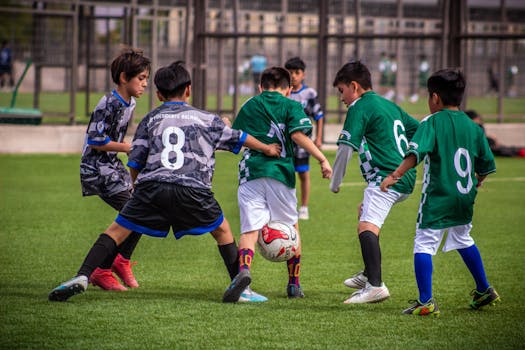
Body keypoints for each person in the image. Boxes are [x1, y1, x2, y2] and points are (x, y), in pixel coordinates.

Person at [48, 61, 282, 302]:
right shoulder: (206, 119)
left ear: (159, 94)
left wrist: (139, 190)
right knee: (222, 231)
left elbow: (135, 162)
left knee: (117, 230)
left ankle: (83, 275)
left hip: (152, 187)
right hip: (194, 189)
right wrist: (267, 148)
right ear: (189, 89)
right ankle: (241, 286)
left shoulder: (150, 120)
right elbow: (241, 138)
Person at [381, 68, 501, 316]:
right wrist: (476, 184)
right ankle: (483, 289)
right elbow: (486, 166)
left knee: (423, 243)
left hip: (438, 196)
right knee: (463, 238)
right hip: (464, 198)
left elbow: (416, 153)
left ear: (435, 97)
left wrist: (394, 175)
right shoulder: (473, 127)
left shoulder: (432, 122)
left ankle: (425, 301)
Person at [222, 66, 332, 303]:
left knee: (249, 230)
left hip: (250, 173)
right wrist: (322, 158)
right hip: (280, 175)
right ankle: (294, 284)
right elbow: (297, 135)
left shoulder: (251, 104)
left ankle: (244, 272)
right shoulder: (291, 105)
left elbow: (237, 140)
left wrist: (227, 124)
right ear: (289, 89)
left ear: (260, 87)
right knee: (292, 226)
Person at [330, 60, 420, 304]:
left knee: (367, 227)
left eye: (341, 91)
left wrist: (335, 182)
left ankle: (375, 286)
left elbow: (345, 148)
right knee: (365, 214)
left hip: (387, 178)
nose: (341, 98)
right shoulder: (389, 105)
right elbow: (418, 131)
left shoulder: (359, 106)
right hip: (402, 176)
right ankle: (369, 273)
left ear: (354, 86)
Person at [80, 47, 151, 291]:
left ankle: (122, 261)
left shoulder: (129, 102)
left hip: (112, 166)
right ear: (123, 78)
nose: (145, 84)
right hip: (97, 168)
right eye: (141, 79)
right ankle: (102, 270)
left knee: (144, 206)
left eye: (146, 79)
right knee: (135, 210)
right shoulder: (108, 103)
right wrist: (127, 147)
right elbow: (95, 140)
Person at [284, 56, 325, 220]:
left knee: (303, 174)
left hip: (302, 144)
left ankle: (304, 207)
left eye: (297, 72)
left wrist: (319, 137)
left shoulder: (309, 93)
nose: (293, 76)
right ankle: (287, 205)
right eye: (290, 72)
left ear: (303, 74)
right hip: (285, 143)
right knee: (285, 173)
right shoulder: (283, 93)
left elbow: (319, 116)